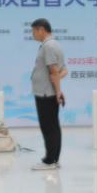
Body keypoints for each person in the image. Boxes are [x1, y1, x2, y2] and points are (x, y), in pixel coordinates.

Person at [30, 18, 66, 170]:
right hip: (48, 91)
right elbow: (63, 71)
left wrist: (57, 91)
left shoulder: (49, 46)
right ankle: (54, 159)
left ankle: (50, 161)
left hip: (45, 93)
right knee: (53, 126)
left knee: (48, 127)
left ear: (41, 29)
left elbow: (54, 72)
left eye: (33, 31)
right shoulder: (54, 44)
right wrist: (58, 90)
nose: (32, 34)